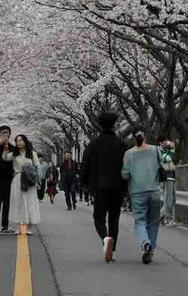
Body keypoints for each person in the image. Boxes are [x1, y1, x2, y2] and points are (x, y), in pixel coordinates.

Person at [80, 111, 127, 263]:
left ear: (99, 125)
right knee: (114, 218)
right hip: (117, 186)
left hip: (99, 186)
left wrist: (84, 184)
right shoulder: (121, 144)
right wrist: (126, 186)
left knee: (98, 217)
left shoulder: (93, 144)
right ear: (114, 124)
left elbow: (85, 165)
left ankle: (105, 238)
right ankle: (112, 252)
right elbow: (127, 166)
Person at [121, 129, 164, 264]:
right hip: (154, 191)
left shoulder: (128, 154)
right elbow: (163, 165)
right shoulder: (155, 150)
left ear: (133, 138)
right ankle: (150, 248)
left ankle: (145, 242)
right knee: (153, 222)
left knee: (140, 221)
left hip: (137, 192)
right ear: (145, 137)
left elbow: (125, 174)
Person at [8, 134, 41, 235]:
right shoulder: (14, 154)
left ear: (25, 141)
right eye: (17, 141)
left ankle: (28, 227)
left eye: (21, 140)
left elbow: (37, 167)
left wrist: (38, 180)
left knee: (30, 203)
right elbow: (5, 158)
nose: (19, 142)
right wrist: (4, 146)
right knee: (18, 203)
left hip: (29, 180)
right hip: (18, 179)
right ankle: (19, 227)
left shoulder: (32, 153)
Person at [0, 125, 14, 235]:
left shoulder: (13, 148)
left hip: (9, 177)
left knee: (7, 201)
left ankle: (5, 226)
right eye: (2, 133)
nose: (5, 134)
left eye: (6, 132)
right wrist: (1, 141)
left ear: (10, 134)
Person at [159, 139, 177, 226]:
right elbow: (169, 158)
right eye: (164, 142)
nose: (167, 143)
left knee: (173, 199)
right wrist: (171, 150)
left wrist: (172, 147)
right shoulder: (161, 152)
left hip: (172, 177)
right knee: (168, 200)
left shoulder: (167, 151)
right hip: (167, 177)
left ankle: (161, 216)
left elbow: (173, 156)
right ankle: (166, 218)